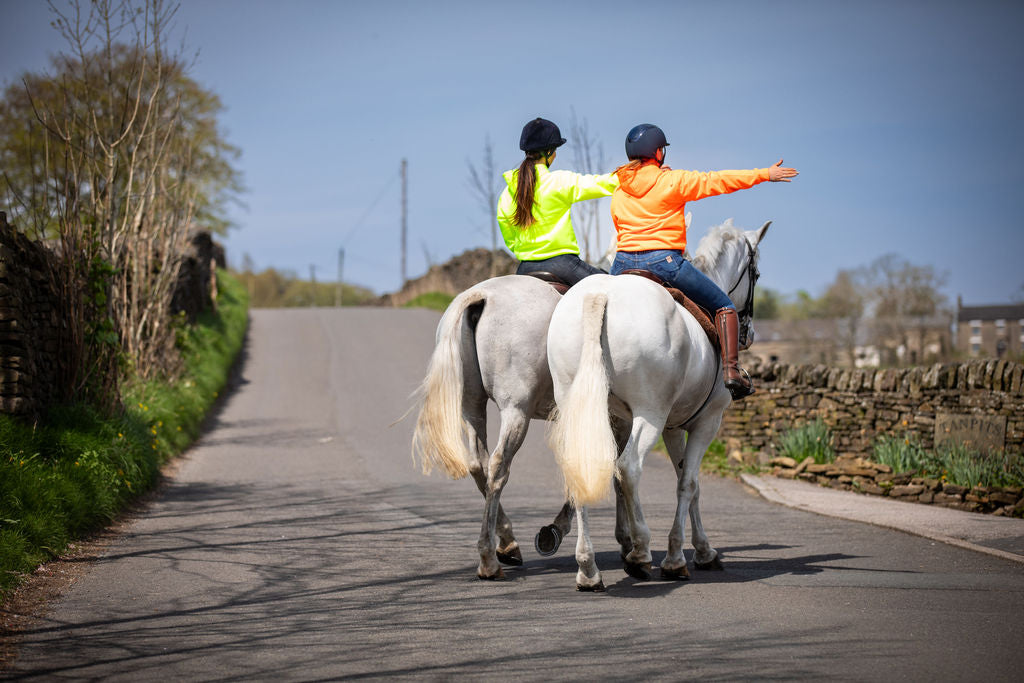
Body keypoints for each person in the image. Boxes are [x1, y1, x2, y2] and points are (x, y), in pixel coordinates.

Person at [609, 123, 799, 400]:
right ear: (658, 152)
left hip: (623, 264)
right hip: (664, 262)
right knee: (725, 306)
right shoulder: (673, 181)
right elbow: (718, 180)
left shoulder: (619, 190)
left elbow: (618, 224)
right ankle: (732, 373)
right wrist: (764, 174)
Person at [497, 117, 619, 286]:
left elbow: (509, 238)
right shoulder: (559, 181)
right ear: (548, 152)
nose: (555, 155)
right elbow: (599, 183)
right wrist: (632, 173)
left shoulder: (507, 193)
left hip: (524, 268)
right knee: (613, 287)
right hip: (563, 266)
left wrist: (528, 251)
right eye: (554, 150)